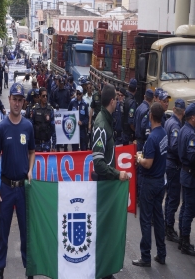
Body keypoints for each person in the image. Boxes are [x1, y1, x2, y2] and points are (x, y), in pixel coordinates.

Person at [0, 82, 35, 279]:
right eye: (14, 99)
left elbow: (32, 152)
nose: (17, 104)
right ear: (9, 100)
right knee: (4, 231)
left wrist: (30, 170)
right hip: (6, 188)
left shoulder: (28, 126)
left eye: (20, 100)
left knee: (26, 232)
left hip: (23, 189)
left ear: (23, 102)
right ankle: (0, 269)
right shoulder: (2, 127)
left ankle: (30, 269)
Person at [92, 83, 129, 279]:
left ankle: (104, 271)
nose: (119, 102)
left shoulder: (107, 121)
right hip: (103, 185)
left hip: (107, 184)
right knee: (103, 230)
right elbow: (98, 163)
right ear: (112, 101)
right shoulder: (101, 124)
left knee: (106, 229)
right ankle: (102, 272)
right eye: (117, 99)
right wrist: (117, 174)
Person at [133, 102, 168, 267]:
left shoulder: (153, 137)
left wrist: (139, 159)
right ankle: (161, 253)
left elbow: (148, 163)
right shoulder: (164, 134)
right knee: (158, 218)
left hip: (150, 182)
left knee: (146, 220)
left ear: (151, 116)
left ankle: (145, 256)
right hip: (161, 180)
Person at [164, 99, 185, 243]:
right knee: (173, 197)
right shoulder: (176, 126)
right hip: (173, 164)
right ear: (183, 111)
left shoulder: (168, 121)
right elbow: (175, 145)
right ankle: (169, 227)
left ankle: (167, 225)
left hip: (168, 163)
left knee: (170, 196)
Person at [177, 102, 195, 256]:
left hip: (185, 173)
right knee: (189, 209)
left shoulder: (183, 129)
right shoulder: (191, 134)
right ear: (193, 118)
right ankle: (185, 242)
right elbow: (192, 156)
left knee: (185, 207)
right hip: (190, 175)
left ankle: (182, 240)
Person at [134, 89, 154, 197]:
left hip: (137, 140)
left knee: (137, 167)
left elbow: (133, 122)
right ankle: (140, 194)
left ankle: (137, 192)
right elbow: (144, 127)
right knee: (141, 169)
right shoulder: (146, 110)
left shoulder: (138, 107)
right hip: (142, 142)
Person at [31, 87, 56, 152]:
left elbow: (53, 128)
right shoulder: (34, 109)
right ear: (39, 97)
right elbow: (31, 127)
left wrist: (53, 145)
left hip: (46, 143)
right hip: (36, 144)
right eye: (43, 96)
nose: (45, 97)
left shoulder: (50, 109)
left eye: (46, 96)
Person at [68, 85, 89, 151]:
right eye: (77, 93)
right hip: (74, 129)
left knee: (83, 147)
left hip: (82, 129)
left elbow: (87, 118)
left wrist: (82, 123)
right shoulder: (72, 102)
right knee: (74, 148)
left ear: (82, 94)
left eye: (79, 94)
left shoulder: (85, 104)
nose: (78, 95)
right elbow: (68, 113)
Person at [122, 78, 137, 145]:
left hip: (123, 132)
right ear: (136, 90)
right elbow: (130, 121)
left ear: (128, 87)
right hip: (128, 135)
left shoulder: (124, 98)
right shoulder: (132, 103)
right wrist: (136, 131)